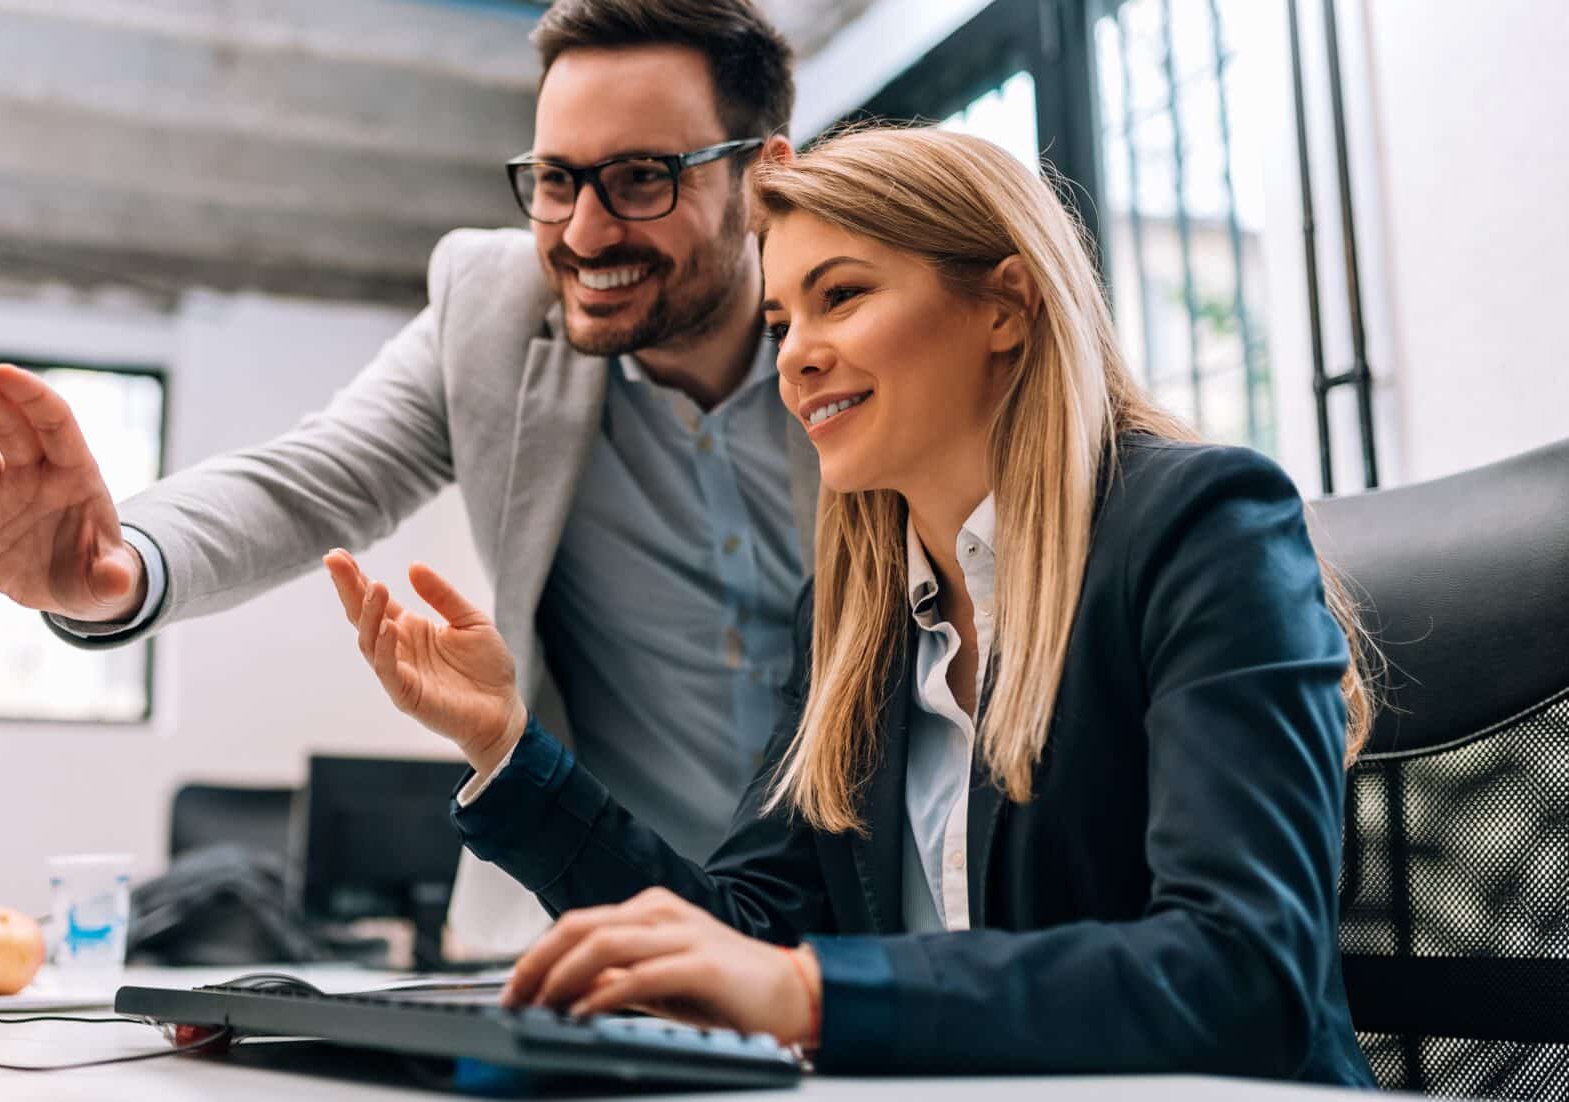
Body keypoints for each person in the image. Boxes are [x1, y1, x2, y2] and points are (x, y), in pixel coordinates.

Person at [319, 124, 1379, 1084]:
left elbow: (1243, 967)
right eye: (781, 318)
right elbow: (738, 932)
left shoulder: (1202, 527)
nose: (795, 356)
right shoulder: (849, 614)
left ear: (1004, 305)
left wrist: (812, 995)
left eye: (841, 297)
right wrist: (507, 747)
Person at [0, 0, 817, 950]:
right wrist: (118, 563)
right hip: (600, 923)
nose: (583, 232)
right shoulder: (495, 313)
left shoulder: (866, 337)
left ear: (763, 179)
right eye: (554, 179)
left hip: (868, 923)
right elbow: (315, 476)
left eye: (639, 178)